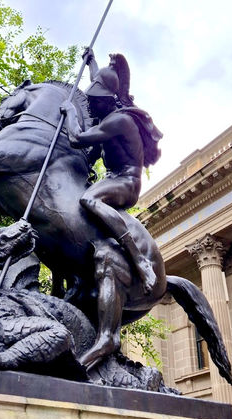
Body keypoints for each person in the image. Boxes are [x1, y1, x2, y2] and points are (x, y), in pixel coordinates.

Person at [60, 48, 162, 294]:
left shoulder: (118, 121)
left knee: (88, 199)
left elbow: (76, 138)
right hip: (111, 178)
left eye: (95, 100)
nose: (90, 104)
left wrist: (71, 112)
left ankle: (138, 258)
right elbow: (101, 83)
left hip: (126, 182)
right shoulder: (108, 111)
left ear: (106, 100)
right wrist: (92, 62)